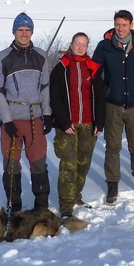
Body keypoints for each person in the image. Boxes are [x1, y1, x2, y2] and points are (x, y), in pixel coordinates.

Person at [92, 10, 134, 204]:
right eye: (117, 24)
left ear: (131, 26)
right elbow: (95, 74)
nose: (120, 28)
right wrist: (106, 92)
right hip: (113, 104)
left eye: (124, 25)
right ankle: (112, 185)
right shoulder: (104, 47)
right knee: (113, 146)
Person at [0, 12, 53, 212]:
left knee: (39, 163)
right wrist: (7, 120)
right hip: (13, 119)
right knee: (11, 165)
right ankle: (14, 206)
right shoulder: (3, 58)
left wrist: (47, 113)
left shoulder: (41, 56)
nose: (24, 34)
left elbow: (45, 87)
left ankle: (42, 206)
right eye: (21, 30)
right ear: (14, 31)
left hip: (34, 118)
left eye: (28, 30)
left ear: (32, 32)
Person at [50, 32, 106, 219]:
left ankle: (75, 195)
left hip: (88, 125)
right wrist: (64, 122)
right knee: (69, 164)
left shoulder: (93, 68)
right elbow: (55, 97)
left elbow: (99, 97)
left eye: (84, 44)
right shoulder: (61, 68)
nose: (80, 47)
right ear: (71, 44)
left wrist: (100, 122)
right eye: (77, 43)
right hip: (68, 124)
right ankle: (66, 206)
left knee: (83, 163)